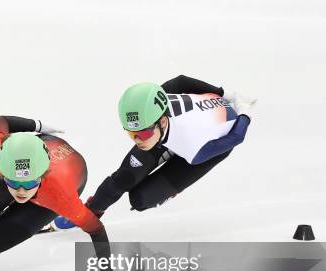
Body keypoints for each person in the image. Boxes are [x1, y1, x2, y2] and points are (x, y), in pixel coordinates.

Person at [53, 74, 255, 228]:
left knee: (141, 199)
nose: (138, 141)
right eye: (132, 134)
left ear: (163, 121)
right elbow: (180, 81)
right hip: (170, 133)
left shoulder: (193, 147)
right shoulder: (156, 108)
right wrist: (222, 92)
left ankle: (164, 189)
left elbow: (235, 138)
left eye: (142, 134)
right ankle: (92, 211)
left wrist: (244, 114)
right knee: (124, 177)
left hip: (207, 144)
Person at [0, 116, 111, 262]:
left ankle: (42, 218)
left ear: (42, 176)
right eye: (14, 184)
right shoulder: (0, 160)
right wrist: (37, 125)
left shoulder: (61, 196)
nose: (21, 191)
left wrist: (107, 270)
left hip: (59, 185)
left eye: (29, 184)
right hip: (31, 159)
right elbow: (1, 121)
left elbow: (96, 229)